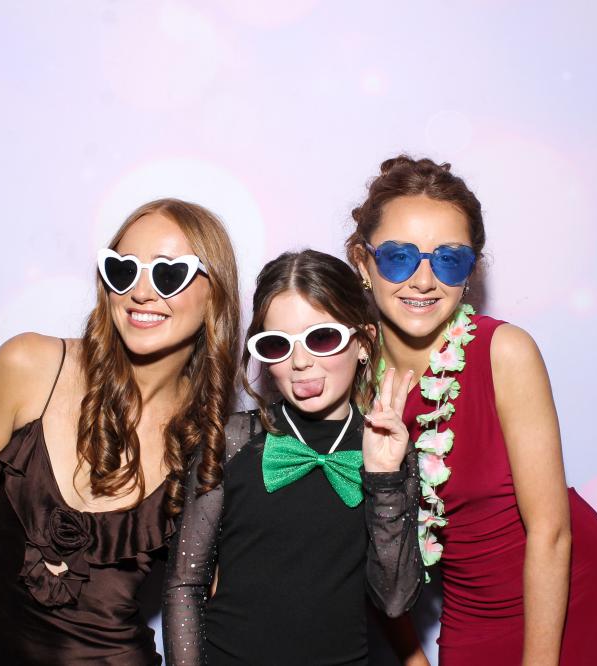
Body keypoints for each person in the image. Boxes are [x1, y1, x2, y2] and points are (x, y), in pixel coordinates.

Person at [0, 199, 240, 665]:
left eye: (168, 274)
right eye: (123, 270)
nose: (141, 292)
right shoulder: (28, 367)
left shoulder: (213, 440)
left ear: (214, 294)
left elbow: (210, 597)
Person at [348, 156, 597, 666]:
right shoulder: (344, 372)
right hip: (470, 610)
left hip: (572, 596)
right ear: (362, 263)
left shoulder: (504, 352)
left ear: (471, 270)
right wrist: (413, 659)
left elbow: (551, 531)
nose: (423, 280)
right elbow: (369, 545)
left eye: (449, 260)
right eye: (398, 257)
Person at [163, 249, 423, 666]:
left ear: (363, 343)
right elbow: (185, 585)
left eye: (322, 338)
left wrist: (383, 478)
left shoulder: (389, 451)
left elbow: (394, 601)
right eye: (277, 345)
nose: (300, 362)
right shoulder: (232, 440)